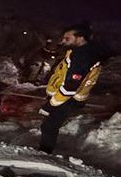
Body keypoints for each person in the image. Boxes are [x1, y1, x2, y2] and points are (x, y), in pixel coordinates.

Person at [38, 23, 102, 154]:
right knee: (49, 125)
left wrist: (51, 104)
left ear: (80, 38)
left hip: (68, 98)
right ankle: (44, 152)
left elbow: (71, 86)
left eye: (67, 38)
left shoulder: (83, 56)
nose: (63, 41)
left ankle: (43, 155)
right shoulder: (77, 52)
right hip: (63, 97)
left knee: (49, 126)